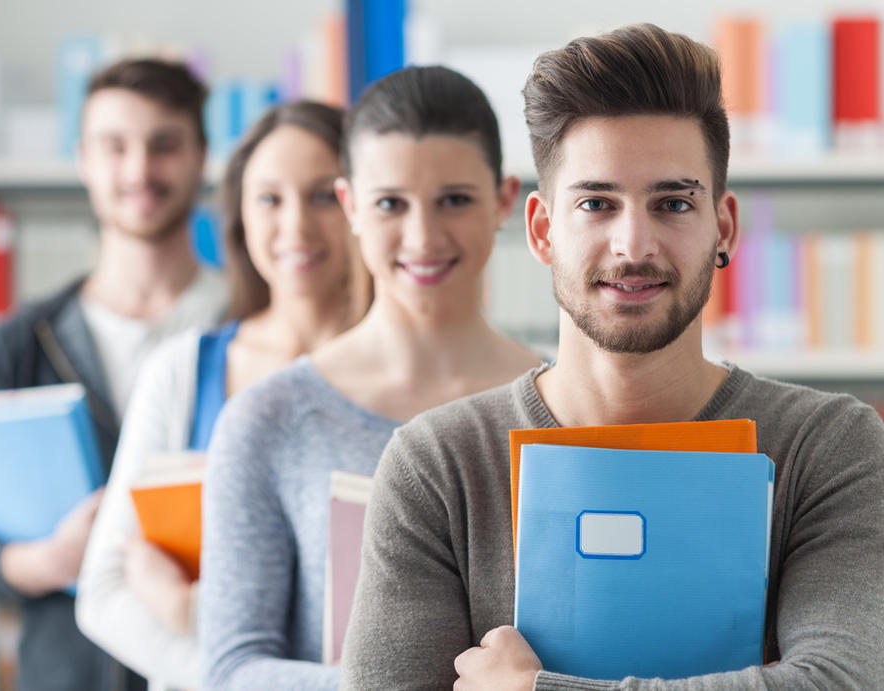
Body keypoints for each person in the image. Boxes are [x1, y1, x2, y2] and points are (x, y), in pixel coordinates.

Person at [340, 23, 884, 691]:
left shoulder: (830, 445)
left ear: (725, 226)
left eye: (674, 203)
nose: (633, 244)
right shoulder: (437, 467)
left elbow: (840, 682)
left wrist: (533, 688)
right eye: (597, 203)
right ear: (542, 230)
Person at [199, 65, 543, 690]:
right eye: (391, 203)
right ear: (351, 205)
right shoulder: (269, 417)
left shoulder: (569, 406)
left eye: (455, 200)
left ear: (503, 200)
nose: (422, 236)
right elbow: (230, 669)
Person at [0, 57, 226, 691]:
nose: (139, 170)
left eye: (164, 145)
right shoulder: (22, 343)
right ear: (83, 160)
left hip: (215, 665)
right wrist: (41, 562)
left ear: (202, 156)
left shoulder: (250, 330)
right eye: (114, 147)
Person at [76, 100, 369, 690]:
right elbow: (105, 593)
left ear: (362, 204)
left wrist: (191, 613)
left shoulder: (409, 374)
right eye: (269, 199)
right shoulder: (182, 371)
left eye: (321, 195)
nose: (296, 227)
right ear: (237, 214)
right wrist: (230, 673)